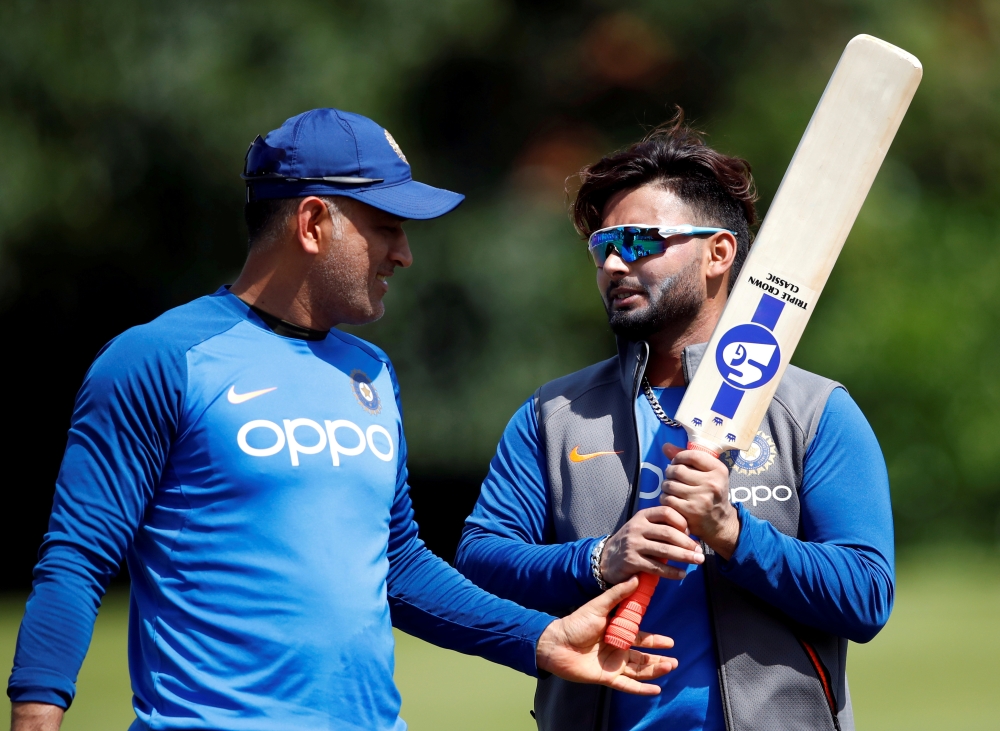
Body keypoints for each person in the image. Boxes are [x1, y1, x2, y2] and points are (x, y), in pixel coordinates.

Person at [7, 109, 679, 731]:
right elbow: (76, 559)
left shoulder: (373, 372)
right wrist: (36, 714)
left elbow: (400, 564)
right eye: (386, 226)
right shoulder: (159, 358)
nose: (403, 254)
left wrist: (537, 637)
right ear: (311, 223)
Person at [454, 116, 894, 731]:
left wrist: (735, 534)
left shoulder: (814, 411)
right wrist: (599, 559)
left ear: (720, 252)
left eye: (638, 241)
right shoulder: (552, 416)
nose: (612, 263)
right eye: (603, 245)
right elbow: (480, 561)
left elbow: (868, 596)